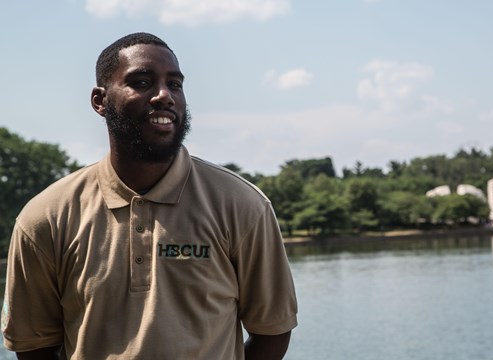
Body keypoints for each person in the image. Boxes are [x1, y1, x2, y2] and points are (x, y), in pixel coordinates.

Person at [1, 32, 298, 359]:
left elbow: (272, 332)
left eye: (175, 84)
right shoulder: (44, 218)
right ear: (100, 101)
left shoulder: (243, 205)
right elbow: (34, 346)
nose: (164, 96)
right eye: (142, 82)